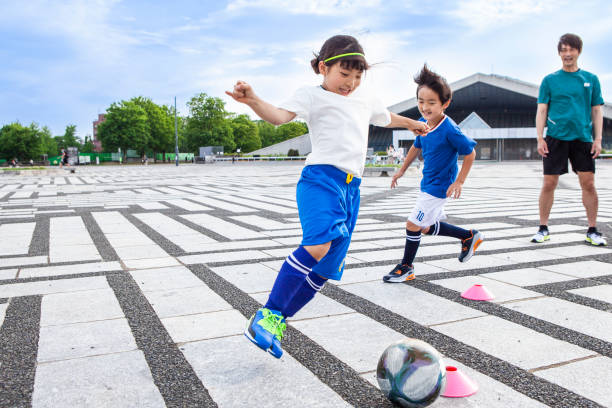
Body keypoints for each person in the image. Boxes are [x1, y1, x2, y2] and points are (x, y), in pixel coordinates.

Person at [226, 35, 430, 358]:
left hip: (352, 190)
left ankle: (277, 320)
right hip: (320, 180)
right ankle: (265, 314)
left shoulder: (364, 99)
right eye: (343, 75)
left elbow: (386, 118)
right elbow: (279, 116)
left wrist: (412, 124)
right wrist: (253, 100)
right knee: (318, 244)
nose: (350, 83)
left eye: (357, 77)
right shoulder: (311, 96)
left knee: (327, 268)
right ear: (324, 68)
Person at [382, 65, 483, 283]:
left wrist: (459, 181)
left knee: (412, 224)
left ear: (444, 104)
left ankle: (406, 267)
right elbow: (415, 147)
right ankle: (468, 236)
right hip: (427, 184)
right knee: (425, 227)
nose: (424, 107)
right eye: (420, 101)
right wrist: (401, 170)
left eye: (431, 103)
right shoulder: (425, 125)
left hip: (439, 187)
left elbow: (470, 153)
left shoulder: (450, 130)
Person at [532, 33, 606, 246]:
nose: (567, 54)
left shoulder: (590, 80)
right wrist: (540, 138)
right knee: (549, 183)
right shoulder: (550, 80)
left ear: (578, 51)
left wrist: (598, 139)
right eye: (563, 50)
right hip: (555, 138)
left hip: (583, 138)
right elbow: (542, 110)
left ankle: (592, 230)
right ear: (559, 53)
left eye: (571, 49)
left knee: (589, 184)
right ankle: (543, 228)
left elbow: (597, 111)